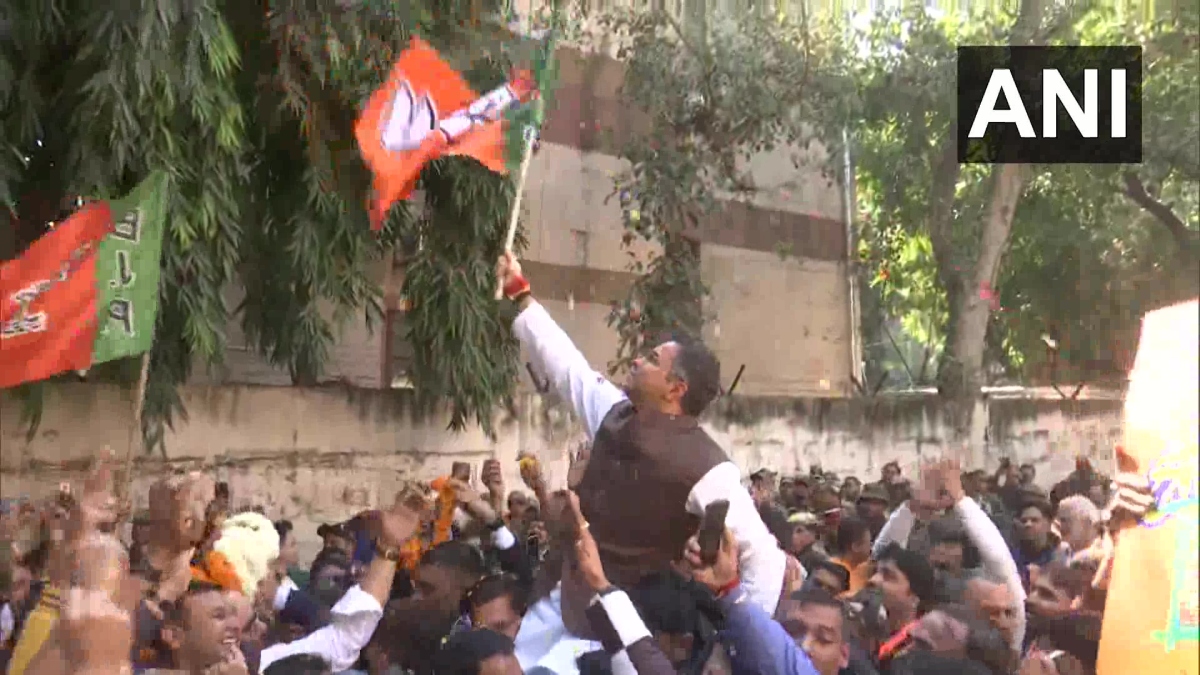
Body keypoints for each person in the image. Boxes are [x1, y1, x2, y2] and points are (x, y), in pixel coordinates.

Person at [495, 253, 786, 674]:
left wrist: (730, 652)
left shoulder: (708, 467)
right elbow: (568, 368)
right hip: (560, 601)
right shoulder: (615, 413)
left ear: (676, 388)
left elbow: (766, 560)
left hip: (621, 629)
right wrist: (522, 295)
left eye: (651, 359)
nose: (635, 360)